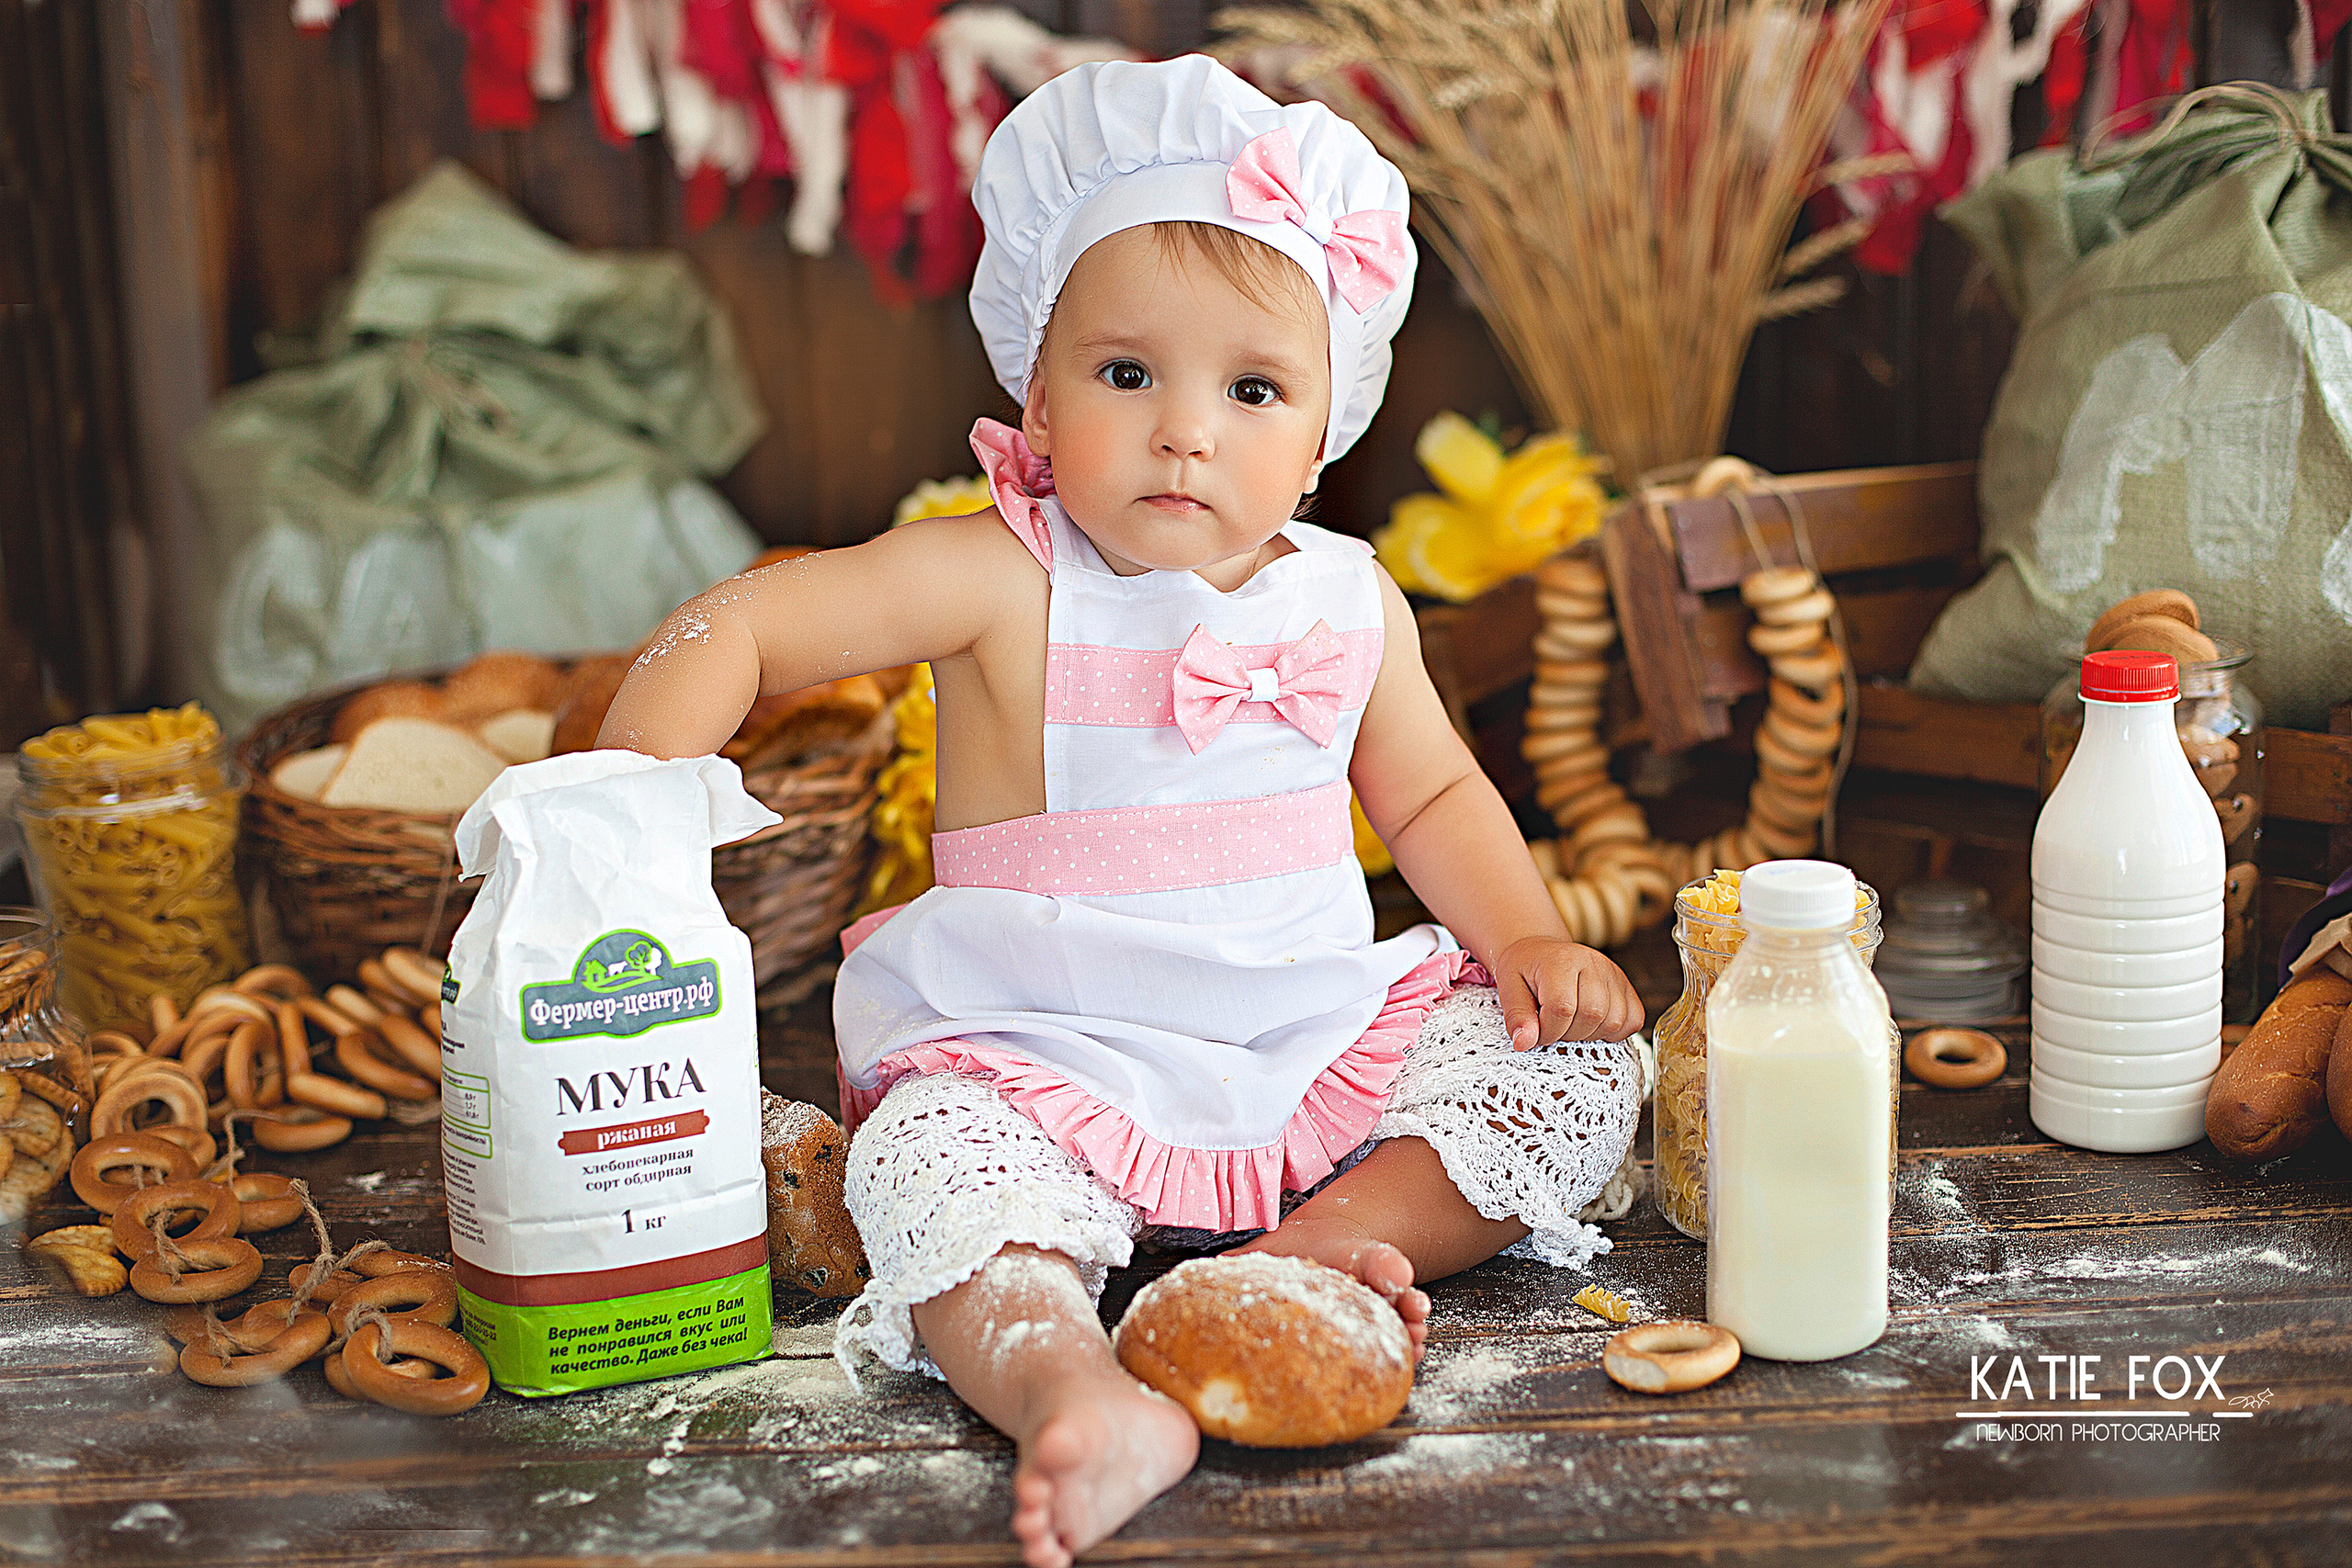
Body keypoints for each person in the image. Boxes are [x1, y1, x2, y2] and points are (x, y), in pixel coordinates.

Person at [601, 54, 1645, 1568]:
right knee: (928, 1174)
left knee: (1570, 1072)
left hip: (1298, 1040)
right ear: (1035, 383)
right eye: (1127, 373)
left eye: (1253, 389)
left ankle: (1313, 1249)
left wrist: (1534, 935)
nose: (1186, 432)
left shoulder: (1348, 599)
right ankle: (1067, 1383)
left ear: (1326, 424)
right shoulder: (1001, 575)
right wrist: (617, 816)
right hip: (1042, 1052)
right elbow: (749, 626)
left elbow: (1430, 792)